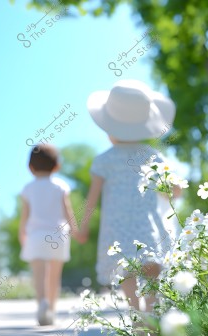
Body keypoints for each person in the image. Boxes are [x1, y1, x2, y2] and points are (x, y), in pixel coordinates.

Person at [79, 79, 181, 313]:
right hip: (148, 224)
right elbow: (174, 189)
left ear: (110, 128)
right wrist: (172, 190)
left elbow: (91, 200)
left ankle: (136, 312)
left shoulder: (103, 160)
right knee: (152, 266)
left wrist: (82, 226)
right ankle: (150, 310)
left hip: (117, 228)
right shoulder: (153, 156)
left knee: (126, 270)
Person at [19, 144, 86, 326]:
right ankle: (52, 312)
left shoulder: (28, 188)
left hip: (36, 235)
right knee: (54, 277)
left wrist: (22, 233)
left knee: (39, 275)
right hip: (58, 235)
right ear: (57, 166)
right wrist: (76, 231)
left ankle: (42, 302)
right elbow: (68, 211)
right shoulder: (61, 186)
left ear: (30, 167)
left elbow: (25, 214)